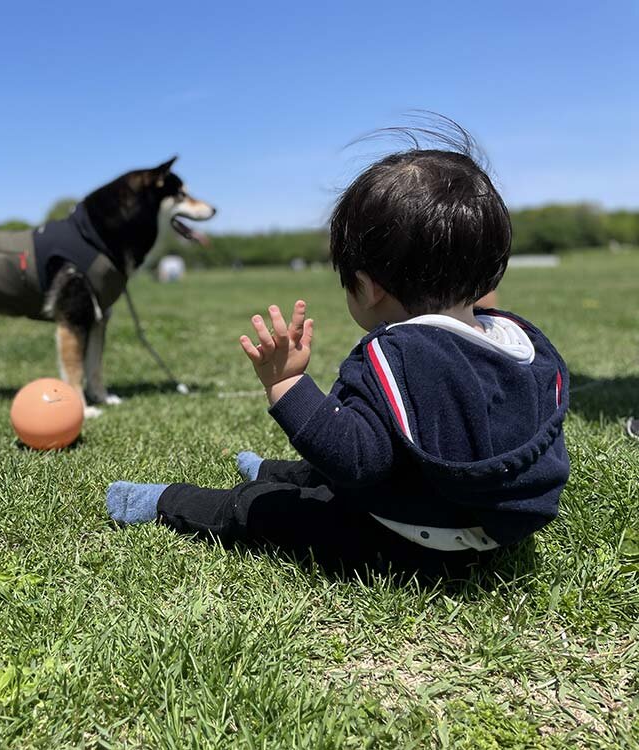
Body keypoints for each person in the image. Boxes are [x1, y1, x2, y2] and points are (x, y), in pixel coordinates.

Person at [105, 135, 571, 573]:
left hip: (416, 544)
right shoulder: (518, 344)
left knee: (259, 509)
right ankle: (272, 469)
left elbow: (356, 459)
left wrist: (286, 385)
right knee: (363, 457)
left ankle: (164, 501)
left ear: (367, 288)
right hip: (495, 530)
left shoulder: (397, 355)